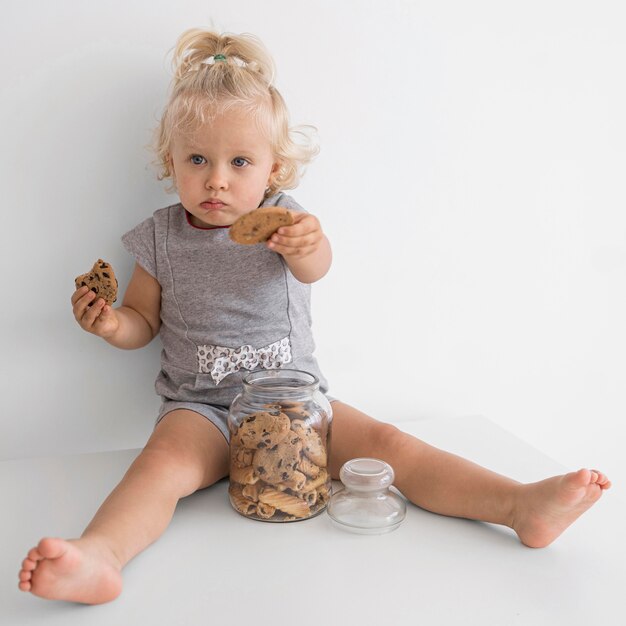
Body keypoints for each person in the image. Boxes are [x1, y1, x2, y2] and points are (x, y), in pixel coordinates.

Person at [18, 28, 611, 605]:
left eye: (240, 161)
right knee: (159, 467)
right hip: (200, 409)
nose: (216, 179)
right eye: (197, 158)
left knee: (390, 443)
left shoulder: (285, 220)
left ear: (273, 170)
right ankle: (100, 554)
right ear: (169, 159)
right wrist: (109, 324)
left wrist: (307, 246)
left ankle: (516, 505)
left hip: (294, 401)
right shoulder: (159, 237)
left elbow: (316, 267)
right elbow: (141, 322)